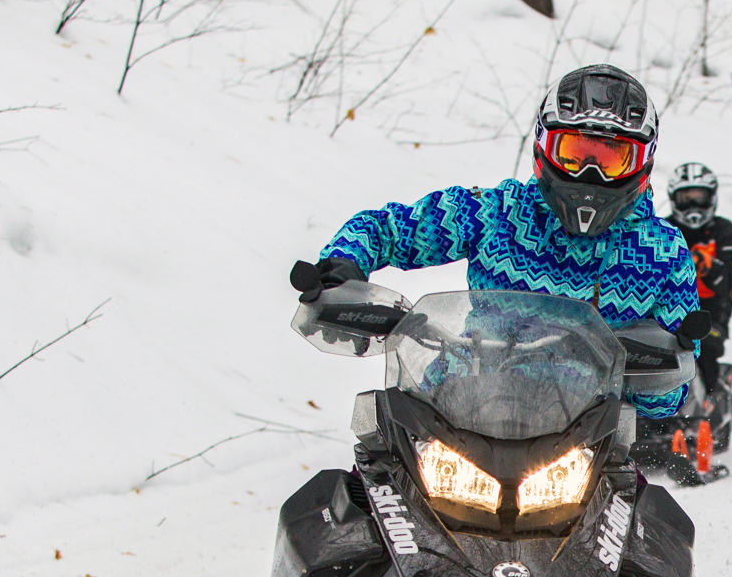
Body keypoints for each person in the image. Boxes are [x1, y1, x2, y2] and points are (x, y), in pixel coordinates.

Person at [299, 64, 701, 418]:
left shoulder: (662, 253)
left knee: (637, 485)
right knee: (367, 465)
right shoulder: (498, 212)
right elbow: (388, 229)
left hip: (585, 435)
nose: (589, 173)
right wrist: (343, 268)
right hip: (454, 406)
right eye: (574, 154)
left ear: (643, 162)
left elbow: (671, 393)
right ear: (544, 146)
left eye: (612, 159)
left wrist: (656, 373)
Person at [664, 163, 732, 394]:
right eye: (686, 199)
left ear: (711, 198)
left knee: (703, 350)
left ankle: (710, 401)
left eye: (699, 198)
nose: (693, 205)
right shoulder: (662, 230)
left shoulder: (725, 231)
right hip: (665, 311)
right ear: (674, 199)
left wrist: (708, 266)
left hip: (711, 316)